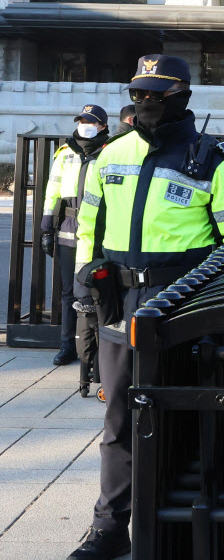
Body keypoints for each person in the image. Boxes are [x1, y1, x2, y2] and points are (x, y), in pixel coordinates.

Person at [65, 54, 224, 560]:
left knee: (190, 412)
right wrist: (86, 282)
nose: (145, 103)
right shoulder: (110, 154)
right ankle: (110, 527)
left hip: (183, 302)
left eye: (157, 95)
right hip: (118, 304)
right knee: (119, 417)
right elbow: (88, 225)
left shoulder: (213, 157)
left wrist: (218, 305)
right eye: (139, 94)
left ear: (183, 98)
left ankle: (187, 525)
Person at [41, 104, 109, 366]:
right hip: (69, 228)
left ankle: (99, 349)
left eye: (90, 121)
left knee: (100, 291)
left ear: (102, 126)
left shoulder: (109, 152)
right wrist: (47, 228)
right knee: (69, 292)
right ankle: (68, 344)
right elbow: (52, 190)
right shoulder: (65, 152)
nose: (85, 125)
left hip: (100, 230)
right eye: (82, 120)